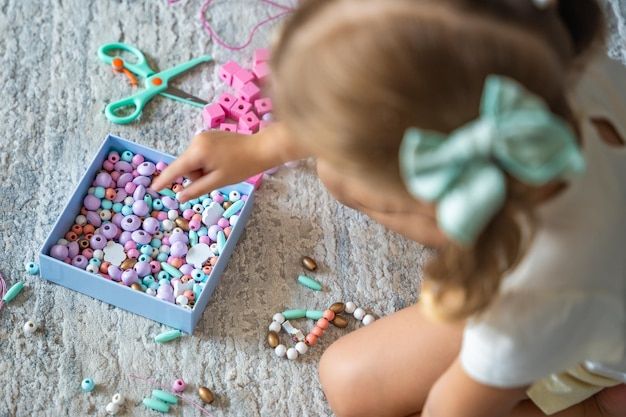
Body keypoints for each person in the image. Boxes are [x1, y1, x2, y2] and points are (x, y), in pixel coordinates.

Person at [151, 0, 626, 415]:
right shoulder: (537, 59)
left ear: (433, 186)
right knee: (336, 172)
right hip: (591, 231)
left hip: (594, 321)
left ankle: (597, 408)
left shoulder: (532, 300)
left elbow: (453, 410)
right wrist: (258, 149)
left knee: (349, 383)